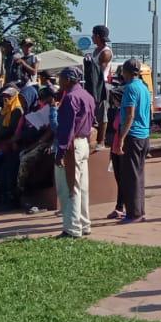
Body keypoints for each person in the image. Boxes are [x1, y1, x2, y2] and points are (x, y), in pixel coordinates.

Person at [54, 66, 96, 238]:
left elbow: (67, 128)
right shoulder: (87, 95)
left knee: (70, 187)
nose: (59, 81)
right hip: (84, 142)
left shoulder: (70, 98)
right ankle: (84, 223)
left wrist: (60, 152)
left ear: (69, 79)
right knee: (82, 186)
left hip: (72, 145)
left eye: (61, 78)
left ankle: (72, 228)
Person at [113, 59, 152, 224]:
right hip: (144, 135)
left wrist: (121, 137)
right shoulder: (143, 87)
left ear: (126, 72)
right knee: (139, 175)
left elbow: (129, 114)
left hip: (133, 135)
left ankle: (134, 213)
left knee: (130, 177)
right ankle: (139, 211)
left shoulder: (130, 88)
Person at [84, 25, 114, 138]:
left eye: (93, 34)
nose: (92, 37)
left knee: (102, 113)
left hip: (102, 85)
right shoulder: (96, 50)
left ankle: (101, 140)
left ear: (97, 36)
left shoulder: (106, 52)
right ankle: (93, 137)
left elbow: (98, 70)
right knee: (93, 112)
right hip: (93, 84)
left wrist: (90, 62)